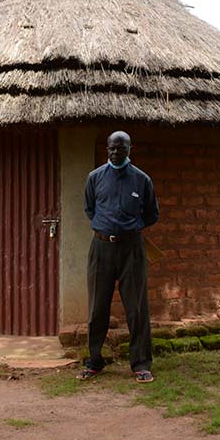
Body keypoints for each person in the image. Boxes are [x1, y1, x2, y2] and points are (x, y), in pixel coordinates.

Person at [79, 130, 159, 383]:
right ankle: (94, 361)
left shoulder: (141, 180)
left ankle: (141, 364)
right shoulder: (95, 178)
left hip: (131, 250)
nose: (115, 152)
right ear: (107, 149)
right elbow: (90, 209)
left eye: (120, 148)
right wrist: (108, 227)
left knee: (136, 308)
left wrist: (128, 228)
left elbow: (151, 214)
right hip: (101, 248)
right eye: (111, 148)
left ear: (129, 149)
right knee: (96, 308)